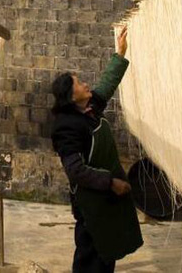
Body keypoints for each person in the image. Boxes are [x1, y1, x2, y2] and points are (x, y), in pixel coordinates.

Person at [50, 25, 143, 273]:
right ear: (71, 97)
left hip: (103, 197)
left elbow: (106, 86)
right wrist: (111, 182)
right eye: (79, 84)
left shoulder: (89, 110)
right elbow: (76, 171)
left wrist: (120, 54)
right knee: (90, 255)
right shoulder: (66, 127)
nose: (85, 84)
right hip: (90, 201)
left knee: (106, 251)